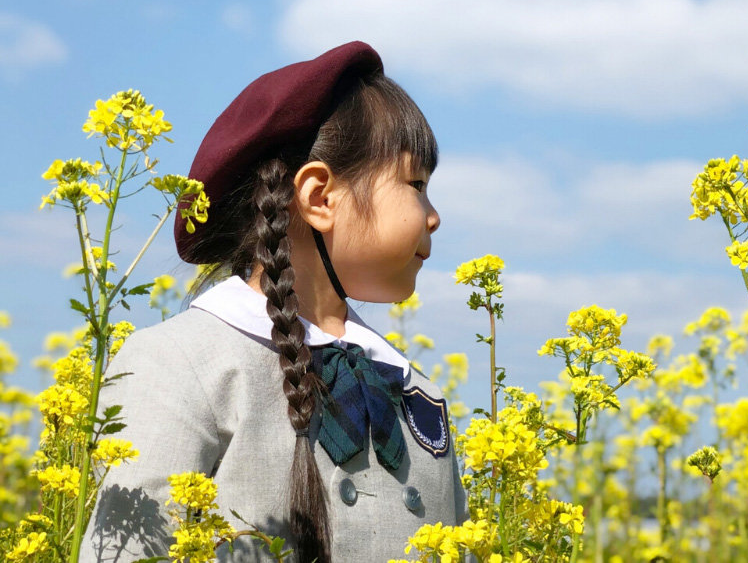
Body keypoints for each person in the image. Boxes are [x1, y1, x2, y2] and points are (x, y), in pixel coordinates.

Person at [83, 41, 468, 562]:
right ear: (319, 199)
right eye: (415, 184)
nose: (433, 215)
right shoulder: (180, 365)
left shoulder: (414, 388)